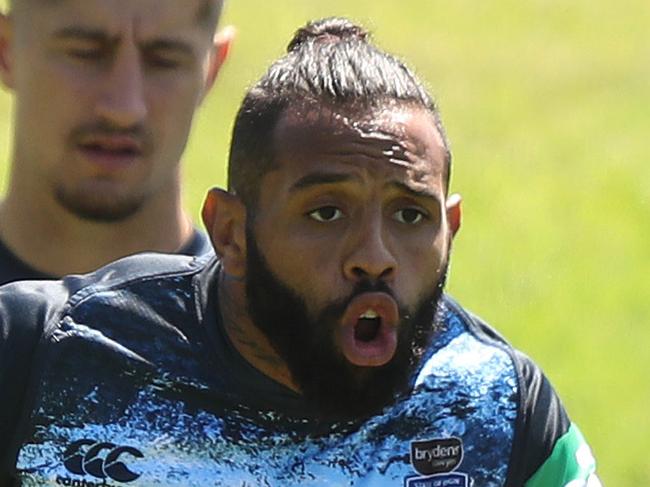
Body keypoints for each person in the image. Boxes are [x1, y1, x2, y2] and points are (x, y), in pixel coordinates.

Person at [0, 17, 601, 487]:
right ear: (232, 233)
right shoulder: (44, 353)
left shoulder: (501, 407)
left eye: (410, 215)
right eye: (326, 213)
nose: (374, 256)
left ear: (451, 229)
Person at [0, 0, 233, 284]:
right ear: (5, 49)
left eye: (165, 61)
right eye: (85, 54)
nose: (124, 109)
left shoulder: (266, 322)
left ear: (213, 68)